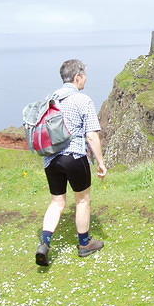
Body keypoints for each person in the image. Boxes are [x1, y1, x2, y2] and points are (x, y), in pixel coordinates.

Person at [35, 59, 107, 267]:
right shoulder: (82, 100)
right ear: (78, 77)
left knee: (57, 202)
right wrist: (100, 163)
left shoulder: (51, 98)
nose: (86, 79)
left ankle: (45, 243)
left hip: (51, 159)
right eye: (84, 75)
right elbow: (91, 135)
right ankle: (85, 244)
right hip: (74, 156)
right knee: (83, 200)